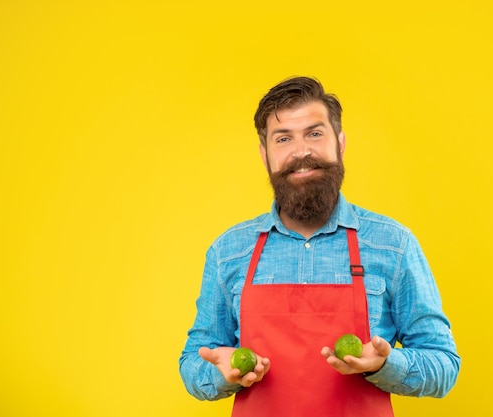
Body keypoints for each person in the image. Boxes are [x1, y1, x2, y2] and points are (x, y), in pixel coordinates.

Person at [179, 76, 460, 416]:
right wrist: (219, 374)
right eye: (283, 139)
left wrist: (384, 365)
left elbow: (444, 364)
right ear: (264, 154)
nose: (301, 152)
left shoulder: (392, 244)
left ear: (340, 143)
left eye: (315, 133)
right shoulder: (229, 252)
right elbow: (193, 363)